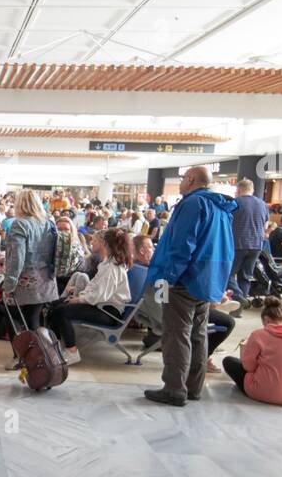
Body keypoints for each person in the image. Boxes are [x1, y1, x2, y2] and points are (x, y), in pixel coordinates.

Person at [142, 165, 237, 407]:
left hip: (182, 281)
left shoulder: (193, 204)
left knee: (176, 334)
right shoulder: (222, 208)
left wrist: (169, 279)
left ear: (192, 180)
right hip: (206, 281)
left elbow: (181, 245)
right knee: (198, 333)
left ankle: (174, 389)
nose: (182, 182)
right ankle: (193, 387)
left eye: (184, 178)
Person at [48, 228, 132, 363]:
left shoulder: (112, 268)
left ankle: (71, 351)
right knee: (56, 305)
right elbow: (94, 287)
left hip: (108, 312)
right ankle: (53, 346)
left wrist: (79, 299)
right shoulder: (108, 263)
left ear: (105, 243)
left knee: (61, 311)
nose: (92, 242)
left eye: (96, 240)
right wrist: (79, 296)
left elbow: (100, 295)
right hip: (102, 306)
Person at [221, 296, 282, 406]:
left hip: (267, 393)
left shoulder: (258, 335)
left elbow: (248, 367)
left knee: (229, 362)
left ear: (266, 320)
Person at [0, 188, 59, 370]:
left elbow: (17, 257)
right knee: (34, 318)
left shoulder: (20, 225)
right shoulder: (49, 224)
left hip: (26, 280)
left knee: (12, 316)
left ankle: (24, 357)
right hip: (46, 279)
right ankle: (41, 357)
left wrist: (9, 283)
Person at [228, 178, 269, 304]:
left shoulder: (235, 203)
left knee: (227, 274)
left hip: (237, 243)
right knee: (245, 276)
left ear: (238, 189)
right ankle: (240, 306)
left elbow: (226, 222)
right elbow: (266, 226)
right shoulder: (262, 204)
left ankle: (239, 297)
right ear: (252, 190)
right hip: (256, 245)